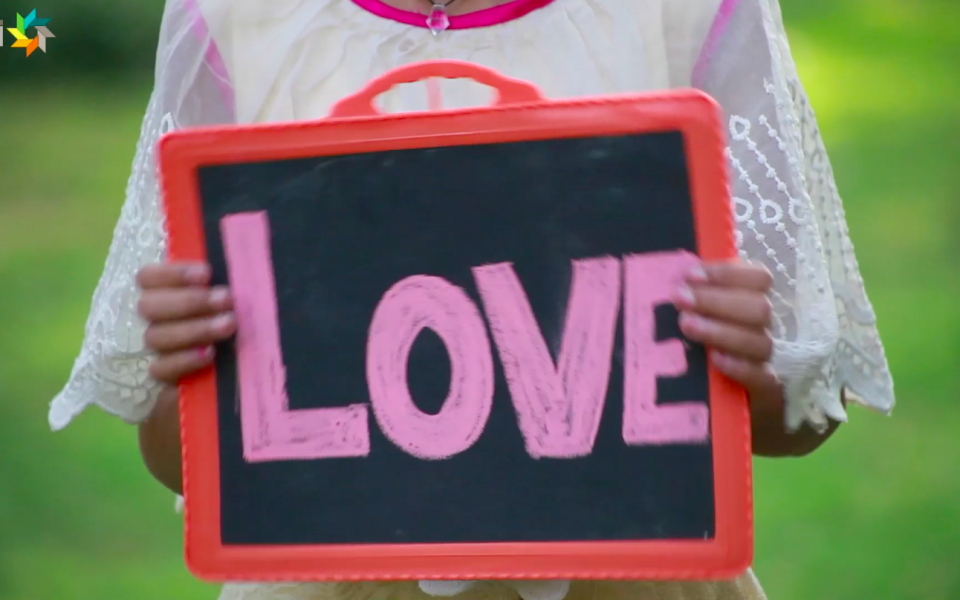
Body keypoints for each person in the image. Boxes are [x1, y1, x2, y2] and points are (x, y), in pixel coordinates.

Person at [49, 0, 895, 598]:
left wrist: (752, 365)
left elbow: (806, 418)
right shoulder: (237, 20)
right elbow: (176, 458)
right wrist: (189, 363)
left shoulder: (689, 11)